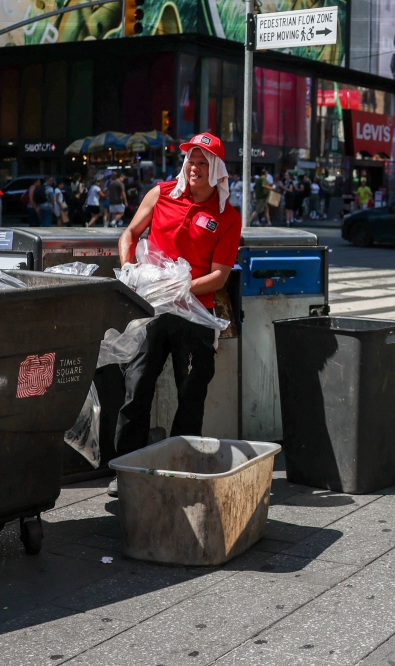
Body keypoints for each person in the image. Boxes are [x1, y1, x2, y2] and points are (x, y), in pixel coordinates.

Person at [110, 133, 242, 497]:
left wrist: (180, 289)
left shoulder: (226, 217)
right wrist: (129, 270)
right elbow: (130, 233)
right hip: (152, 308)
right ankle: (127, 469)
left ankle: (181, 467)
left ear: (216, 171)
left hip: (196, 314)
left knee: (191, 394)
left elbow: (219, 276)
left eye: (203, 163)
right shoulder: (161, 193)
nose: (195, 168)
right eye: (191, 161)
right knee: (137, 386)